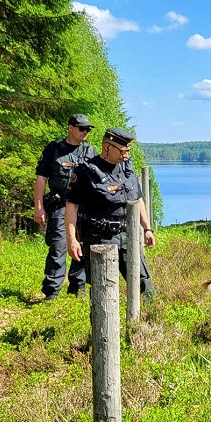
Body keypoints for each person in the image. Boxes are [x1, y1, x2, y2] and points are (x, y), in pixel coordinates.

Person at [65, 128, 156, 298]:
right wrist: (72, 240)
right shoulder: (86, 171)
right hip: (101, 240)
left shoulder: (126, 168)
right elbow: (72, 206)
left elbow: (138, 199)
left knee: (144, 286)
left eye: (128, 151)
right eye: (122, 151)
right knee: (103, 292)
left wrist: (147, 228)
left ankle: (149, 322)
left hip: (127, 236)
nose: (125, 155)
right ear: (107, 146)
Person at [34, 114, 96, 300]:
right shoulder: (54, 149)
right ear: (70, 127)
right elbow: (40, 179)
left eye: (88, 129)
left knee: (82, 246)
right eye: (82, 128)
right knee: (58, 246)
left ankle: (78, 288)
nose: (85, 132)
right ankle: (52, 291)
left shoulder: (89, 151)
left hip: (83, 207)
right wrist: (39, 207)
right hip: (60, 205)